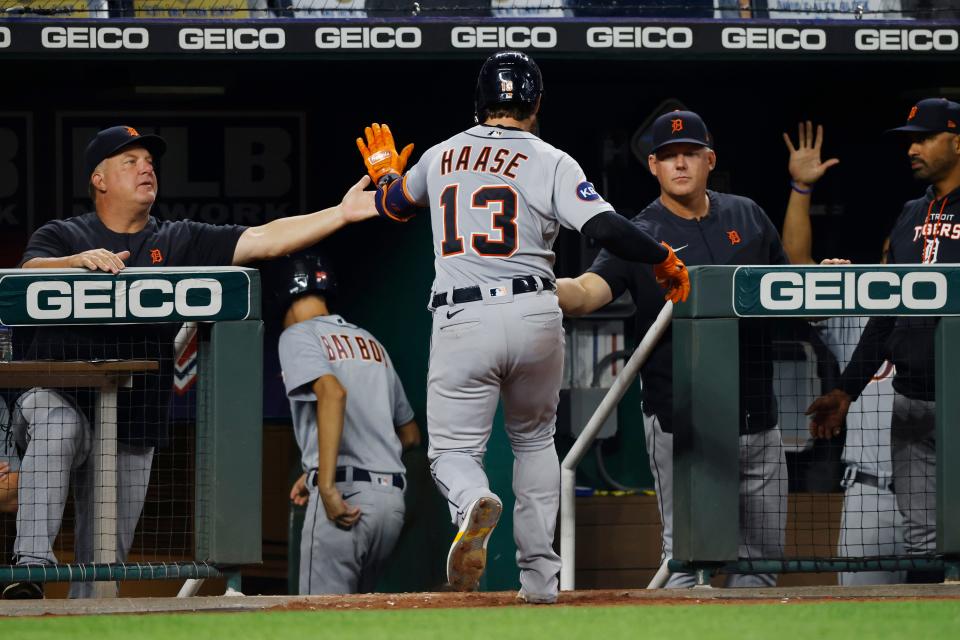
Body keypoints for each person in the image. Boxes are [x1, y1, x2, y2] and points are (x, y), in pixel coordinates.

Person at [355, 51, 689, 603]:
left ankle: (470, 504)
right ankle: (540, 581)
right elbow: (605, 226)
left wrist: (389, 173)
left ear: (480, 102)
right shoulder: (551, 159)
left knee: (453, 454)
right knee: (535, 442)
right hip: (537, 308)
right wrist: (659, 255)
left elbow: (391, 206)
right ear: (535, 103)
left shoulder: (442, 154)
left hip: (464, 316)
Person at [2, 125, 379, 600]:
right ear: (99, 180)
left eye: (150, 161)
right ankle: (30, 569)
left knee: (103, 568)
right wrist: (75, 263)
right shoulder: (62, 235)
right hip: (58, 399)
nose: (147, 168)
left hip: (132, 417)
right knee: (59, 424)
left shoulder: (178, 239)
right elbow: (26, 274)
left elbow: (263, 239)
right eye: (131, 161)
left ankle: (86, 623)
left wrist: (341, 214)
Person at [558, 109, 789, 588]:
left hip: (757, 418)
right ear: (653, 167)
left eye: (689, 154)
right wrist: (538, 282)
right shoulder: (639, 232)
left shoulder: (747, 215)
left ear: (710, 160)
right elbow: (587, 292)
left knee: (761, 567)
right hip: (683, 422)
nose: (679, 164)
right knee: (687, 562)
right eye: (668, 156)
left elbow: (790, 290)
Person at [807, 98, 960, 582]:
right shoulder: (909, 214)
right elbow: (887, 313)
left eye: (924, 138)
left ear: (957, 141)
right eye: (908, 140)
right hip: (911, 399)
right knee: (924, 547)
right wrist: (847, 390)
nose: (912, 148)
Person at [782, 121, 905, 585]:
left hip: (941, 489)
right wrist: (800, 189)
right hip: (869, 494)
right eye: (896, 254)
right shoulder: (862, 303)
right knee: (860, 618)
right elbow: (796, 266)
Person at [275, 253, 420, 594]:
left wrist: (325, 482)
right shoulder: (372, 343)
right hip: (390, 504)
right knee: (357, 620)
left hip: (344, 498)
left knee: (318, 625)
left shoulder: (297, 335)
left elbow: (332, 393)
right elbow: (410, 435)